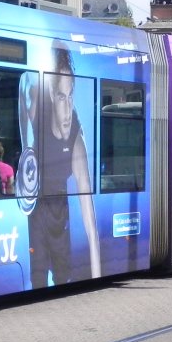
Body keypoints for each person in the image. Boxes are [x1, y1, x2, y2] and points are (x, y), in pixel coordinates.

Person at [24, 42, 101, 287]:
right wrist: (26, 150)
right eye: (60, 97)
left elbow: (90, 218)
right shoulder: (38, 106)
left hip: (59, 207)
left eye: (70, 97)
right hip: (36, 205)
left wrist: (98, 278)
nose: (67, 109)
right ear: (51, 95)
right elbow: (25, 86)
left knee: (62, 275)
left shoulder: (77, 140)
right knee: (37, 276)